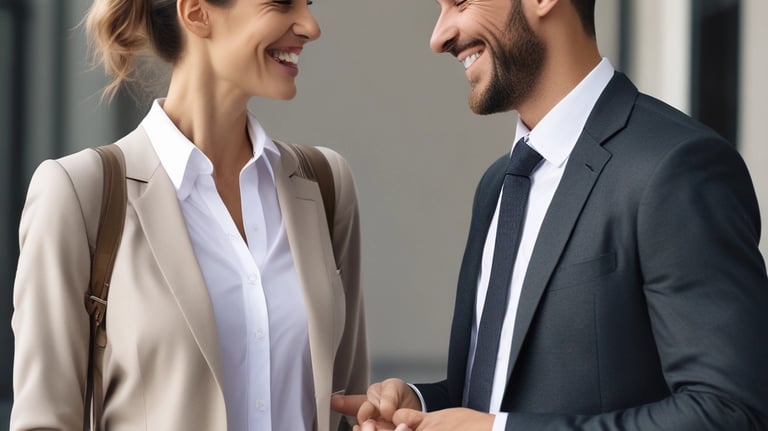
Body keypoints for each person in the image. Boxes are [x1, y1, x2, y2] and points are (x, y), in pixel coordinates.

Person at [332, 0, 768, 430]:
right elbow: (501, 397)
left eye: (460, 3)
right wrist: (422, 406)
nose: (438, 36)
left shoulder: (677, 166)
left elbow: (729, 411)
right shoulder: (497, 185)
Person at [10, 0, 368, 430]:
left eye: (308, 5)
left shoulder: (325, 185)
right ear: (197, 12)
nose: (311, 26)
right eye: (281, 3)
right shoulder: (79, 192)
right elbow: (43, 421)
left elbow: (349, 408)